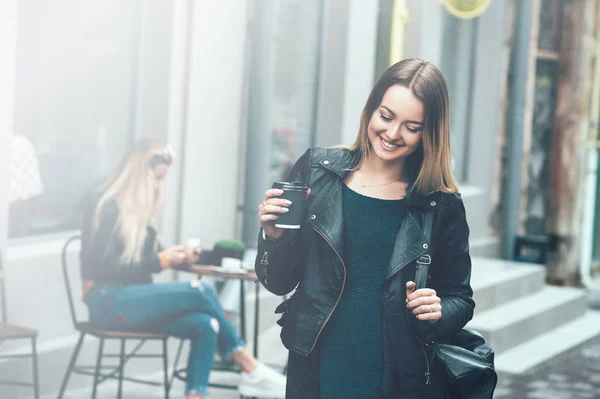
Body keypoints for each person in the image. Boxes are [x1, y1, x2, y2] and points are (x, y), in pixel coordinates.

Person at [255, 58, 475, 399]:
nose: (392, 134)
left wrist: (440, 309)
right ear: (371, 110)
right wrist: (273, 238)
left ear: (430, 132)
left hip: (398, 378)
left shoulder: (440, 204)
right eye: (386, 116)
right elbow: (280, 281)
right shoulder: (317, 172)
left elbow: (461, 299)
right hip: (316, 369)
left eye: (411, 127)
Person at [82, 138, 286, 399]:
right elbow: (104, 268)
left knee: (206, 324)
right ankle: (249, 366)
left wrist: (179, 256)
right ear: (138, 175)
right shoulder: (105, 207)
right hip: (106, 301)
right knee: (200, 290)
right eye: (157, 178)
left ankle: (196, 395)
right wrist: (163, 260)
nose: (159, 186)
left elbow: (149, 258)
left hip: (132, 302)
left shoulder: (138, 218)